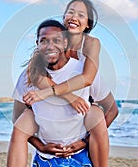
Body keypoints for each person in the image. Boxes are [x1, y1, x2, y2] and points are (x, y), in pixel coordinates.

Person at [10, 0, 119, 166]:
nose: (74, 17)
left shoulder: (89, 46)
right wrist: (67, 97)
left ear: (87, 24)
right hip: (51, 121)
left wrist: (85, 141)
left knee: (96, 113)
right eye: (70, 12)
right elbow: (36, 76)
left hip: (81, 107)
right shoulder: (40, 61)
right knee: (24, 120)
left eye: (81, 15)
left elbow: (88, 79)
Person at [8, 19, 94, 166]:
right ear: (37, 44)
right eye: (44, 40)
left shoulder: (83, 70)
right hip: (45, 158)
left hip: (80, 156)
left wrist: (84, 142)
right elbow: (17, 119)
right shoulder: (28, 76)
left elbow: (111, 110)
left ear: (66, 43)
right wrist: (40, 145)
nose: (50, 46)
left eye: (56, 40)